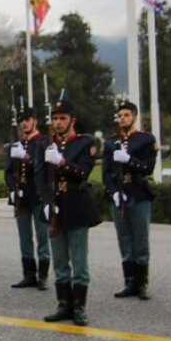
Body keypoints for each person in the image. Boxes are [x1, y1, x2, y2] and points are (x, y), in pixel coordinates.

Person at [38, 97, 101, 326]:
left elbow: (83, 172)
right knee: (60, 260)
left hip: (76, 205)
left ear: (72, 120)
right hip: (56, 205)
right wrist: (45, 201)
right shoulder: (46, 144)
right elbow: (41, 176)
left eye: (62, 118)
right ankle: (63, 304)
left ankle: (79, 307)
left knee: (79, 262)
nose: (57, 122)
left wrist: (62, 162)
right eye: (55, 118)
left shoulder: (85, 143)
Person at [102, 99, 158, 300]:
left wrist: (129, 160)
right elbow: (106, 172)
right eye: (120, 115)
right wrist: (114, 191)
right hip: (119, 195)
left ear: (134, 117)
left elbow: (148, 167)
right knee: (124, 239)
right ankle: (129, 282)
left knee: (140, 240)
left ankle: (142, 283)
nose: (123, 118)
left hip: (138, 193)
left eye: (126, 115)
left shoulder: (145, 139)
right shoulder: (110, 142)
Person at [6, 103, 51, 290]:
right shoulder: (17, 144)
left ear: (35, 121)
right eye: (21, 121)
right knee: (24, 238)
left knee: (42, 237)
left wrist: (27, 158)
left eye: (27, 120)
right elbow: (8, 171)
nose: (24, 124)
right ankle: (28, 274)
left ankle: (43, 275)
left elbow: (45, 170)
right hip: (21, 196)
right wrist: (11, 188)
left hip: (38, 195)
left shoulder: (43, 142)